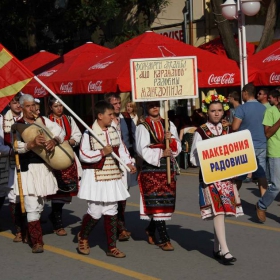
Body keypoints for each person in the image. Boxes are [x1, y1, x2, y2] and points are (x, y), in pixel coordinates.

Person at [77, 100, 136, 258]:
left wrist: (129, 163)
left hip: (113, 175)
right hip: (96, 176)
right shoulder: (89, 133)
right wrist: (101, 152)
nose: (112, 117)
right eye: (109, 114)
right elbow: (83, 154)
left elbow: (121, 149)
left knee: (112, 210)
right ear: (100, 115)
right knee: (95, 211)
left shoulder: (114, 131)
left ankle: (111, 247)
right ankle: (83, 238)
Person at [190, 93, 243, 265]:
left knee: (222, 212)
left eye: (219, 110)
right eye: (213, 110)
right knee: (218, 211)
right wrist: (206, 160)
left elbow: (236, 151)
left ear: (224, 111)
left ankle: (216, 247)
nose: (216, 113)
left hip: (227, 178)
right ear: (207, 112)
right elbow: (192, 158)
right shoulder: (200, 131)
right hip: (210, 178)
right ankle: (225, 250)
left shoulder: (228, 129)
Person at [13, 94, 65, 253]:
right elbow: (16, 147)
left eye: (33, 105)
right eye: (28, 106)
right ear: (22, 108)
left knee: (40, 204)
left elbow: (61, 132)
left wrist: (54, 141)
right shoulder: (17, 126)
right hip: (27, 170)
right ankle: (37, 242)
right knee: (32, 206)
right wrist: (31, 144)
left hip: (43, 168)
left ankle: (28, 230)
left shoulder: (43, 121)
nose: (32, 109)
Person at [136, 100, 181, 251]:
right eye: (151, 105)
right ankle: (165, 239)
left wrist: (171, 140)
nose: (155, 107)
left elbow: (178, 146)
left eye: (157, 105)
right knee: (156, 203)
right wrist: (162, 152)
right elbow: (141, 150)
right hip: (151, 168)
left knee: (165, 203)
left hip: (167, 167)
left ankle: (150, 229)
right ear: (145, 107)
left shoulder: (169, 124)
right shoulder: (143, 127)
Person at [47, 96, 82, 236]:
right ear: (50, 108)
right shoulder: (46, 120)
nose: (59, 108)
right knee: (56, 191)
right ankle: (57, 223)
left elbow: (77, 135)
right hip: (53, 159)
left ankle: (55, 216)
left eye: (61, 105)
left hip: (68, 157)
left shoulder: (69, 119)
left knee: (66, 191)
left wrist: (71, 142)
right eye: (56, 106)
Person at [105, 93, 137, 241]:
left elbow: (132, 140)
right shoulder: (104, 123)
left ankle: (121, 225)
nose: (118, 105)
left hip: (126, 161)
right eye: (115, 103)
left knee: (123, 194)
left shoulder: (127, 118)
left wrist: (134, 160)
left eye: (119, 103)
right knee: (112, 197)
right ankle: (117, 228)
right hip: (110, 163)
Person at [232, 83, 268, 197]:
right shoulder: (264, 108)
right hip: (261, 144)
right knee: (261, 175)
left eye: (242, 93)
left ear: (246, 93)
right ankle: (263, 202)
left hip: (245, 145)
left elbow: (235, 127)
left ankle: (234, 199)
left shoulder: (242, 108)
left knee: (239, 175)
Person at [2, 92, 26, 242]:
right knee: (14, 196)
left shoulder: (30, 118)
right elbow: (0, 145)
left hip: (29, 162)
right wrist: (11, 151)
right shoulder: (3, 120)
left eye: (19, 102)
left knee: (31, 197)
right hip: (11, 162)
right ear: (9, 105)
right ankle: (19, 229)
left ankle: (30, 228)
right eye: (14, 102)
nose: (17, 105)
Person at [256, 90, 280, 222]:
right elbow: (268, 133)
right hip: (276, 151)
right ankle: (262, 205)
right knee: (277, 186)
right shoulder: (270, 112)